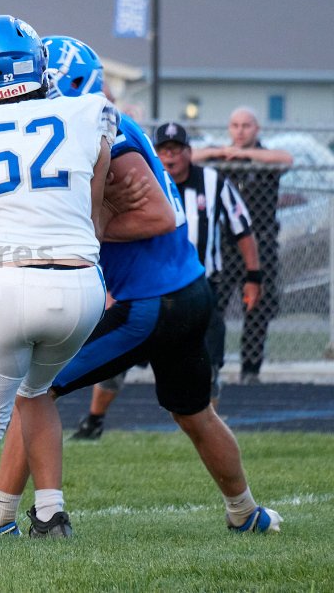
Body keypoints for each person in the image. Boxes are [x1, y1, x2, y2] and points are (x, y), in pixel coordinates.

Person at [0, 39, 283, 537]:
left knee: (33, 388)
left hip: (153, 300)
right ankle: (246, 512)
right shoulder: (92, 124)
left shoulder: (105, 131)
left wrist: (85, 230)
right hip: (181, 291)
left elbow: (159, 215)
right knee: (195, 414)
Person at [0, 17, 112, 544]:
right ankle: (51, 513)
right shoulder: (88, 112)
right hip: (82, 283)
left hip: (8, 279)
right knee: (38, 391)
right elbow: (94, 203)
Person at [72, 120, 261, 439]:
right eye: (165, 150)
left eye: (177, 149)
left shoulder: (212, 182)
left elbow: (240, 228)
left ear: (189, 152)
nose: (171, 156)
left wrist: (253, 275)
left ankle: (206, 426)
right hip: (145, 289)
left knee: (205, 370)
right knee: (112, 366)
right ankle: (95, 420)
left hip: (194, 286)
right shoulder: (136, 176)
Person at [193, 107, 293, 384]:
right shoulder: (222, 158)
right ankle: (211, 365)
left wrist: (248, 155)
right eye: (235, 125)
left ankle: (250, 370)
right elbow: (187, 157)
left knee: (258, 306)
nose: (240, 131)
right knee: (214, 304)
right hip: (225, 244)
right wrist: (220, 152)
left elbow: (287, 159)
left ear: (256, 129)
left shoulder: (264, 158)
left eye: (246, 125)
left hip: (261, 243)